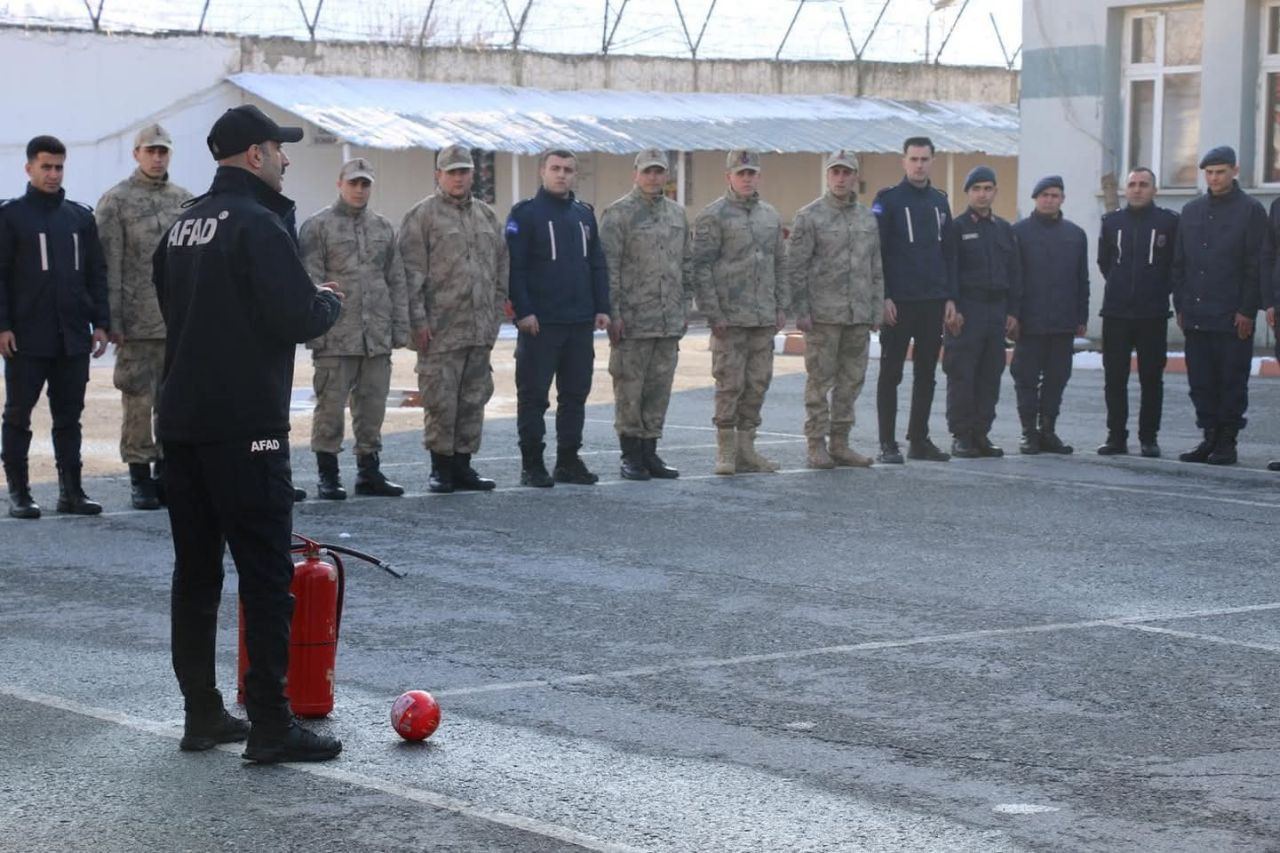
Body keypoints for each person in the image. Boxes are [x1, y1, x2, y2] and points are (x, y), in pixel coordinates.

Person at [153, 104, 343, 763]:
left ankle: (203, 712)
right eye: (279, 149)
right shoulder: (259, 223)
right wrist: (330, 299)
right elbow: (297, 315)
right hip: (246, 429)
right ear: (254, 155)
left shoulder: (182, 225)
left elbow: (173, 304)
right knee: (266, 573)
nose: (287, 158)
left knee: (196, 573)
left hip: (182, 423)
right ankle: (269, 722)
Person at [0, 135, 109, 520]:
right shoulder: (10, 216)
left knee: (69, 417)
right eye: (45, 166)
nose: (52, 174)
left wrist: (102, 323)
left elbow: (96, 273)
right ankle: (19, 493)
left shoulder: (79, 217)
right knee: (18, 415)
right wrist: (3, 326)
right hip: (27, 337)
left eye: (58, 167)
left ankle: (72, 492)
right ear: (28, 167)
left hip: (72, 336)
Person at [398, 144, 508, 493]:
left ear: (473, 174)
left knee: (473, 399)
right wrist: (418, 323)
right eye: (452, 172)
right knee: (440, 400)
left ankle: (463, 465)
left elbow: (500, 269)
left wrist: (493, 317)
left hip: (478, 327)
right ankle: (440, 468)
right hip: (440, 329)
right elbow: (410, 276)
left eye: (464, 171)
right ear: (439, 175)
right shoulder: (422, 216)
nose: (459, 178)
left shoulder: (487, 217)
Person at [298, 157, 408, 500]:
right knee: (330, 407)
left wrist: (399, 327)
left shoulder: (383, 227)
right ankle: (328, 475)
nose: (359, 190)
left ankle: (369, 471)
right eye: (354, 183)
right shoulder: (318, 226)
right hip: (337, 335)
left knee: (373, 406)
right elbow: (310, 282)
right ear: (339, 184)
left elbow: (396, 278)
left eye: (365, 184)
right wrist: (316, 331)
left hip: (375, 335)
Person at [95, 124, 193, 509]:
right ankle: (139, 474)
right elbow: (109, 264)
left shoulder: (185, 201)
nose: (157, 157)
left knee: (176, 402)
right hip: (137, 322)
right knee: (138, 399)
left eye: (163, 151)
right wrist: (112, 320)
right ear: (136, 153)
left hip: (179, 322)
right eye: (150, 151)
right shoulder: (116, 201)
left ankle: (168, 472)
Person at [506, 149, 610, 487]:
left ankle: (568, 460)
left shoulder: (583, 215)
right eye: (555, 168)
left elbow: (596, 263)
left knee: (575, 394)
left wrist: (602, 307)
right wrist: (524, 312)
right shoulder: (526, 214)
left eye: (568, 170)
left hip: (579, 322)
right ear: (542, 171)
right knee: (534, 397)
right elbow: (515, 268)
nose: (561, 175)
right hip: (541, 324)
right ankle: (532, 464)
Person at [693, 149, 787, 475]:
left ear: (759, 176)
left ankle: (747, 451)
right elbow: (701, 268)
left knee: (758, 383)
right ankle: (726, 452)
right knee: (729, 384)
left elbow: (780, 263)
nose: (746, 179)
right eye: (740, 173)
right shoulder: (713, 216)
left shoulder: (770, 216)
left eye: (752, 173)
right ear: (728, 176)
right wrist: (712, 312)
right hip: (729, 319)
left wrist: (780, 307)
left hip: (762, 317)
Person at [1172, 146, 1267, 467]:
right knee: (1200, 380)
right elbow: (1180, 264)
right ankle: (1208, 436)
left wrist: (1247, 310)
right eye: (1209, 173)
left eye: (1221, 172)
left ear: (1235, 171)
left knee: (1231, 380)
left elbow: (1255, 266)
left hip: (1231, 315)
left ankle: (1227, 441)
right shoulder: (1192, 210)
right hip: (1196, 313)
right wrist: (1181, 304)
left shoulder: (1251, 210)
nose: (1214, 178)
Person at [787, 149, 882, 469]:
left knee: (852, 380)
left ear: (856, 176)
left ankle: (840, 443)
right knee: (819, 381)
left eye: (847, 172)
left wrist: (876, 307)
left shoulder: (867, 218)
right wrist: (800, 309)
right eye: (835, 172)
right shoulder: (809, 216)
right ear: (828, 176)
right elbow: (796, 267)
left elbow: (876, 267)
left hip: (857, 315)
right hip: (823, 316)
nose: (841, 178)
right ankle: (816, 444)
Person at [600, 148, 691, 481]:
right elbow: (609, 268)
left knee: (658, 389)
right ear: (635, 173)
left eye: (659, 171)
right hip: (633, 321)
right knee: (629, 390)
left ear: (667, 175)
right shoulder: (619, 214)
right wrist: (614, 313)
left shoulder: (677, 215)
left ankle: (650, 452)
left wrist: (684, 307)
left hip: (668, 321)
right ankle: (631, 456)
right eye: (648, 171)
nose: (653, 177)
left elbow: (686, 263)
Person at [872, 136, 959, 464]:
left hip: (932, 301)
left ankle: (919, 440)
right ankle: (887, 443)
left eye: (925, 159)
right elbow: (876, 251)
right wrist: (884, 295)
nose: (919, 164)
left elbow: (948, 252)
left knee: (926, 373)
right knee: (890, 373)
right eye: (914, 159)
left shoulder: (940, 201)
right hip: (899, 303)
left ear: (932, 161)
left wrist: (950, 296)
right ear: (903, 161)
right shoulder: (888, 200)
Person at [1095, 168, 1179, 458]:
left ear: (1154, 189)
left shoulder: (1168, 222)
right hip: (1116, 314)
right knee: (1114, 379)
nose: (1137, 189)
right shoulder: (1111, 222)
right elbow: (1105, 263)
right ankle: (1116, 436)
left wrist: (1157, 290)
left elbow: (1175, 265)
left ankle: (1148, 438)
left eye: (1144, 184)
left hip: (1152, 314)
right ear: (1125, 189)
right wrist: (1120, 288)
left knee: (1151, 379)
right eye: (1132, 184)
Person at [943, 166, 1021, 458]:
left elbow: (1015, 273)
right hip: (967, 310)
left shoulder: (1004, 229)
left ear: (995, 192)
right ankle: (961, 436)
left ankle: (981, 434)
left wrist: (1012, 311)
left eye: (988, 188)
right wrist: (952, 304)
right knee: (962, 373)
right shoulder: (956, 228)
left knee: (990, 374)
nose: (982, 194)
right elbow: (949, 269)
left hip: (996, 310)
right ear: (967, 192)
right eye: (976, 189)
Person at [1010, 176, 1089, 454]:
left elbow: (1082, 279)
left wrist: (1081, 316)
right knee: (1026, 380)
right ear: (1035, 198)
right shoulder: (1018, 233)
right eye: (1044, 195)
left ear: (1062, 199)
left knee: (1057, 379)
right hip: (1029, 323)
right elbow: (1013, 278)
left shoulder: (1075, 235)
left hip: (1062, 322)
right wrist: (1013, 316)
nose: (1049, 199)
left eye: (1055, 195)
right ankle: (1028, 433)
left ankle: (1048, 431)